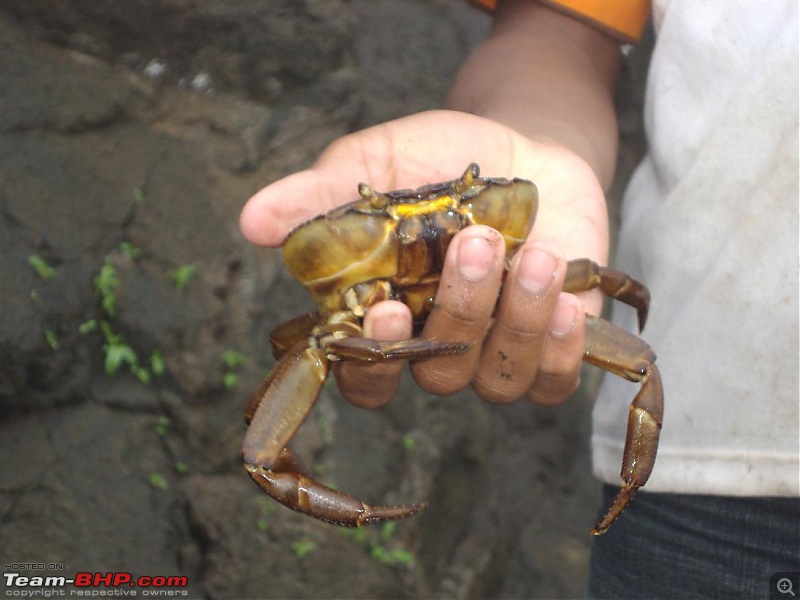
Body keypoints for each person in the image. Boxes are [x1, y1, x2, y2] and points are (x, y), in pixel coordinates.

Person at [240, 0, 799, 596]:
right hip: (705, 496)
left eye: (462, 203)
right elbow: (563, 34)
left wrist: (619, 286)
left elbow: (628, 327)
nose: (422, 228)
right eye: (382, 218)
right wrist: (539, 140)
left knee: (642, 368)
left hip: (716, 455)